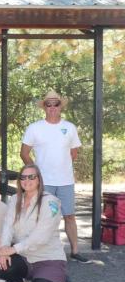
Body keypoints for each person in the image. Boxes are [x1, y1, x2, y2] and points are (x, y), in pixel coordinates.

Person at [0, 164, 73, 282]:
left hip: (47, 259)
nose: (27, 180)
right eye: (23, 177)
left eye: (31, 177)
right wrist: (3, 248)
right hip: (24, 257)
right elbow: (7, 227)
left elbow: (41, 236)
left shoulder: (50, 201)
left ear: (39, 180)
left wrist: (12, 249)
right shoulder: (15, 199)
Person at [20, 91, 88, 263]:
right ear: (44, 107)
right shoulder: (34, 127)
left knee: (69, 216)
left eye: (55, 104)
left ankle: (74, 251)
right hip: (44, 182)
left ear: (60, 106)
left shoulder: (70, 127)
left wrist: (61, 167)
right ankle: (39, 252)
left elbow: (74, 152)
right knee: (42, 217)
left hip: (66, 181)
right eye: (48, 104)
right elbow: (24, 153)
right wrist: (36, 172)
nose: (52, 107)